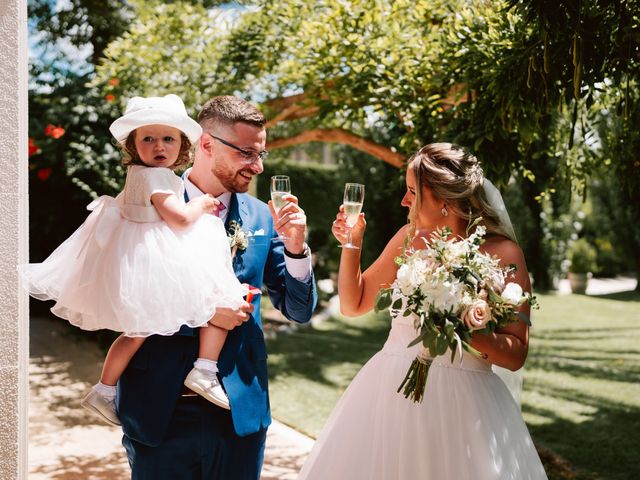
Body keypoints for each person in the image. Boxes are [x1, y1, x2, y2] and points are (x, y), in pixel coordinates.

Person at [298, 143, 547, 480]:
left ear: (445, 200)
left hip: (466, 408)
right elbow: (353, 304)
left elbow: (515, 354)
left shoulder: (504, 252)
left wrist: (461, 325)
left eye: (412, 192)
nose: (403, 201)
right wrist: (352, 242)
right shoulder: (408, 238)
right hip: (391, 390)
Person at [117, 95, 318, 479]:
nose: (257, 165)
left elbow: (298, 311)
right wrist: (205, 312)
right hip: (159, 410)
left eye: (261, 153)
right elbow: (124, 298)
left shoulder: (262, 216)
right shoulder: (145, 203)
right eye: (246, 152)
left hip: (238, 414)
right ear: (207, 144)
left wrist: (295, 249)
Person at [19, 94, 249, 425]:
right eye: (148, 138)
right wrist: (202, 205)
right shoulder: (153, 176)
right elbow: (180, 219)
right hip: (152, 256)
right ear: (134, 145)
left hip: (142, 254)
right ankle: (204, 367)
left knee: (136, 332)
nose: (159, 146)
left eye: (168, 138)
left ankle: (105, 389)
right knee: (218, 293)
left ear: (182, 144)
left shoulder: (148, 175)